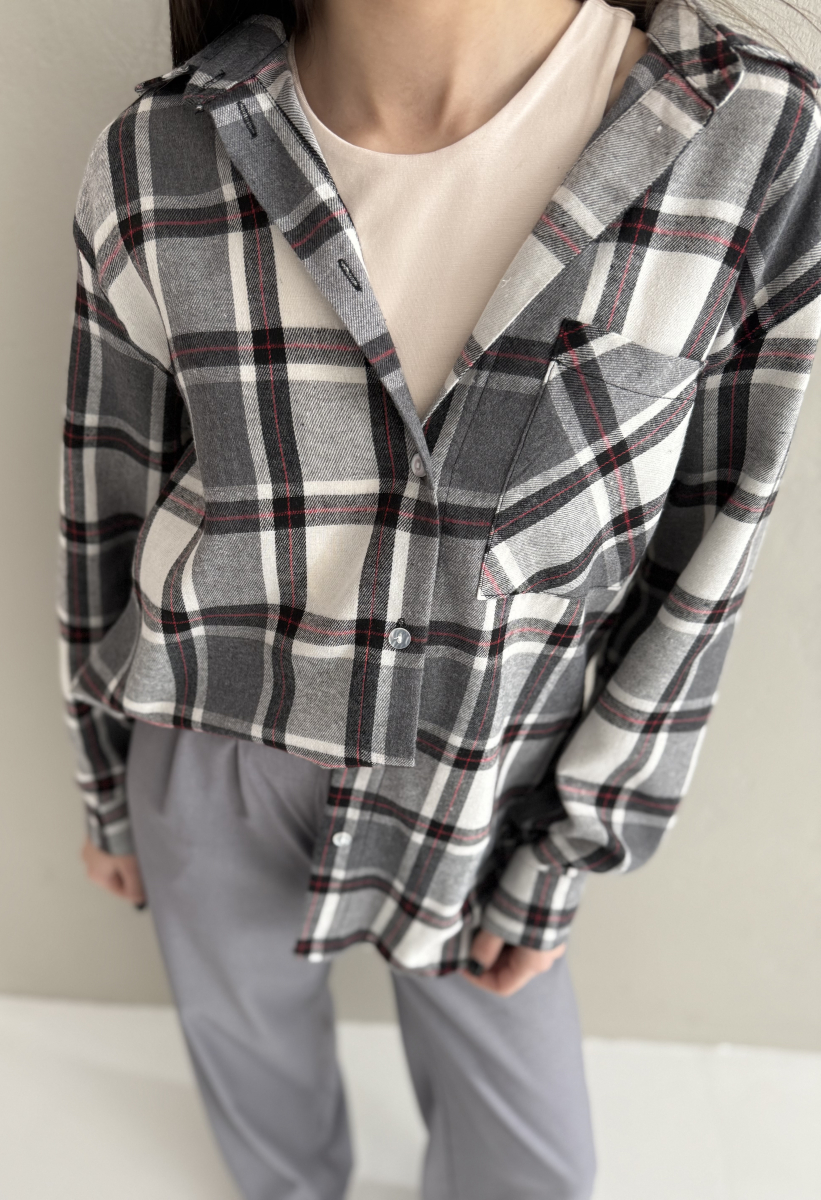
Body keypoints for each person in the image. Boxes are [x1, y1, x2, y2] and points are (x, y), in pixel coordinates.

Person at [59, 0, 820, 1195]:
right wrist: (108, 787)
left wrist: (568, 846)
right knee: (258, 1100)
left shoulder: (747, 138)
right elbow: (106, 488)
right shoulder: (162, 154)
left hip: (487, 783)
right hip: (213, 746)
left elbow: (710, 550)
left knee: (533, 1172)